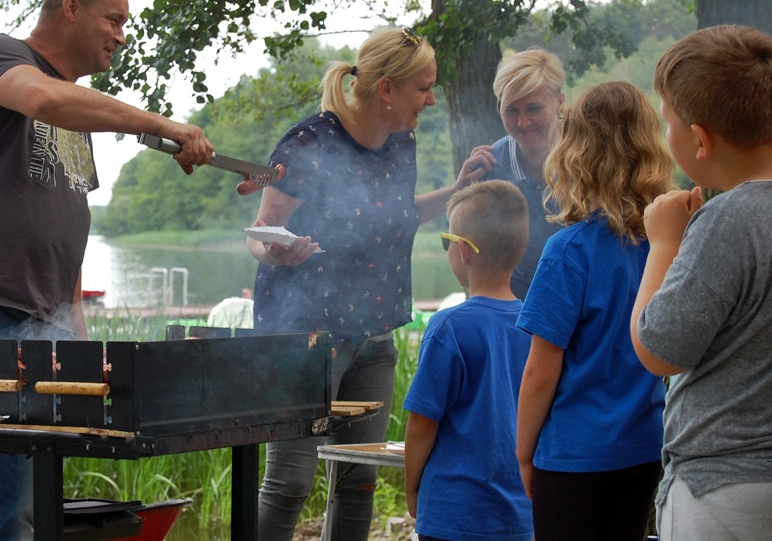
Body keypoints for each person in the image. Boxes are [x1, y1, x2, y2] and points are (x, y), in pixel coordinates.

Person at [0, 0, 214, 541]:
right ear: (70, 7)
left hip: (40, 326)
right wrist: (160, 124)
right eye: (114, 19)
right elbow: (44, 99)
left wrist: (73, 326)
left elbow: (66, 218)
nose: (122, 36)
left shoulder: (77, 114)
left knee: (20, 512)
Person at [246, 26, 487, 541]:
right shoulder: (307, 142)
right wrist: (279, 253)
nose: (429, 98)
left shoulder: (402, 140)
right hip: (305, 338)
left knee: (358, 480)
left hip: (375, 333)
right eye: (423, 87)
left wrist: (458, 190)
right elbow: (259, 235)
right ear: (387, 90)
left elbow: (398, 214)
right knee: (289, 481)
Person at [630, 25, 772, 540]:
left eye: (668, 121)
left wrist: (664, 243)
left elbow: (660, 349)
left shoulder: (729, 220)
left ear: (700, 139)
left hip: (724, 490)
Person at [515, 81, 673, 541]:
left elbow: (539, 374)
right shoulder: (668, 245)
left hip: (573, 455)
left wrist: (525, 453)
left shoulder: (568, 251)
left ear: (574, 151)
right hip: (645, 447)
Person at [403, 179, 533, 541]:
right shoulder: (536, 327)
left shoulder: (450, 327)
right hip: (519, 514)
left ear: (463, 251)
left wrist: (412, 490)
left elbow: (421, 424)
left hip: (454, 514)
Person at [461, 49, 566, 300]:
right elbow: (467, 251)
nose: (522, 122)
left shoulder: (588, 156)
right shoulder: (490, 167)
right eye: (511, 111)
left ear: (559, 100)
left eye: (533, 108)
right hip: (515, 310)